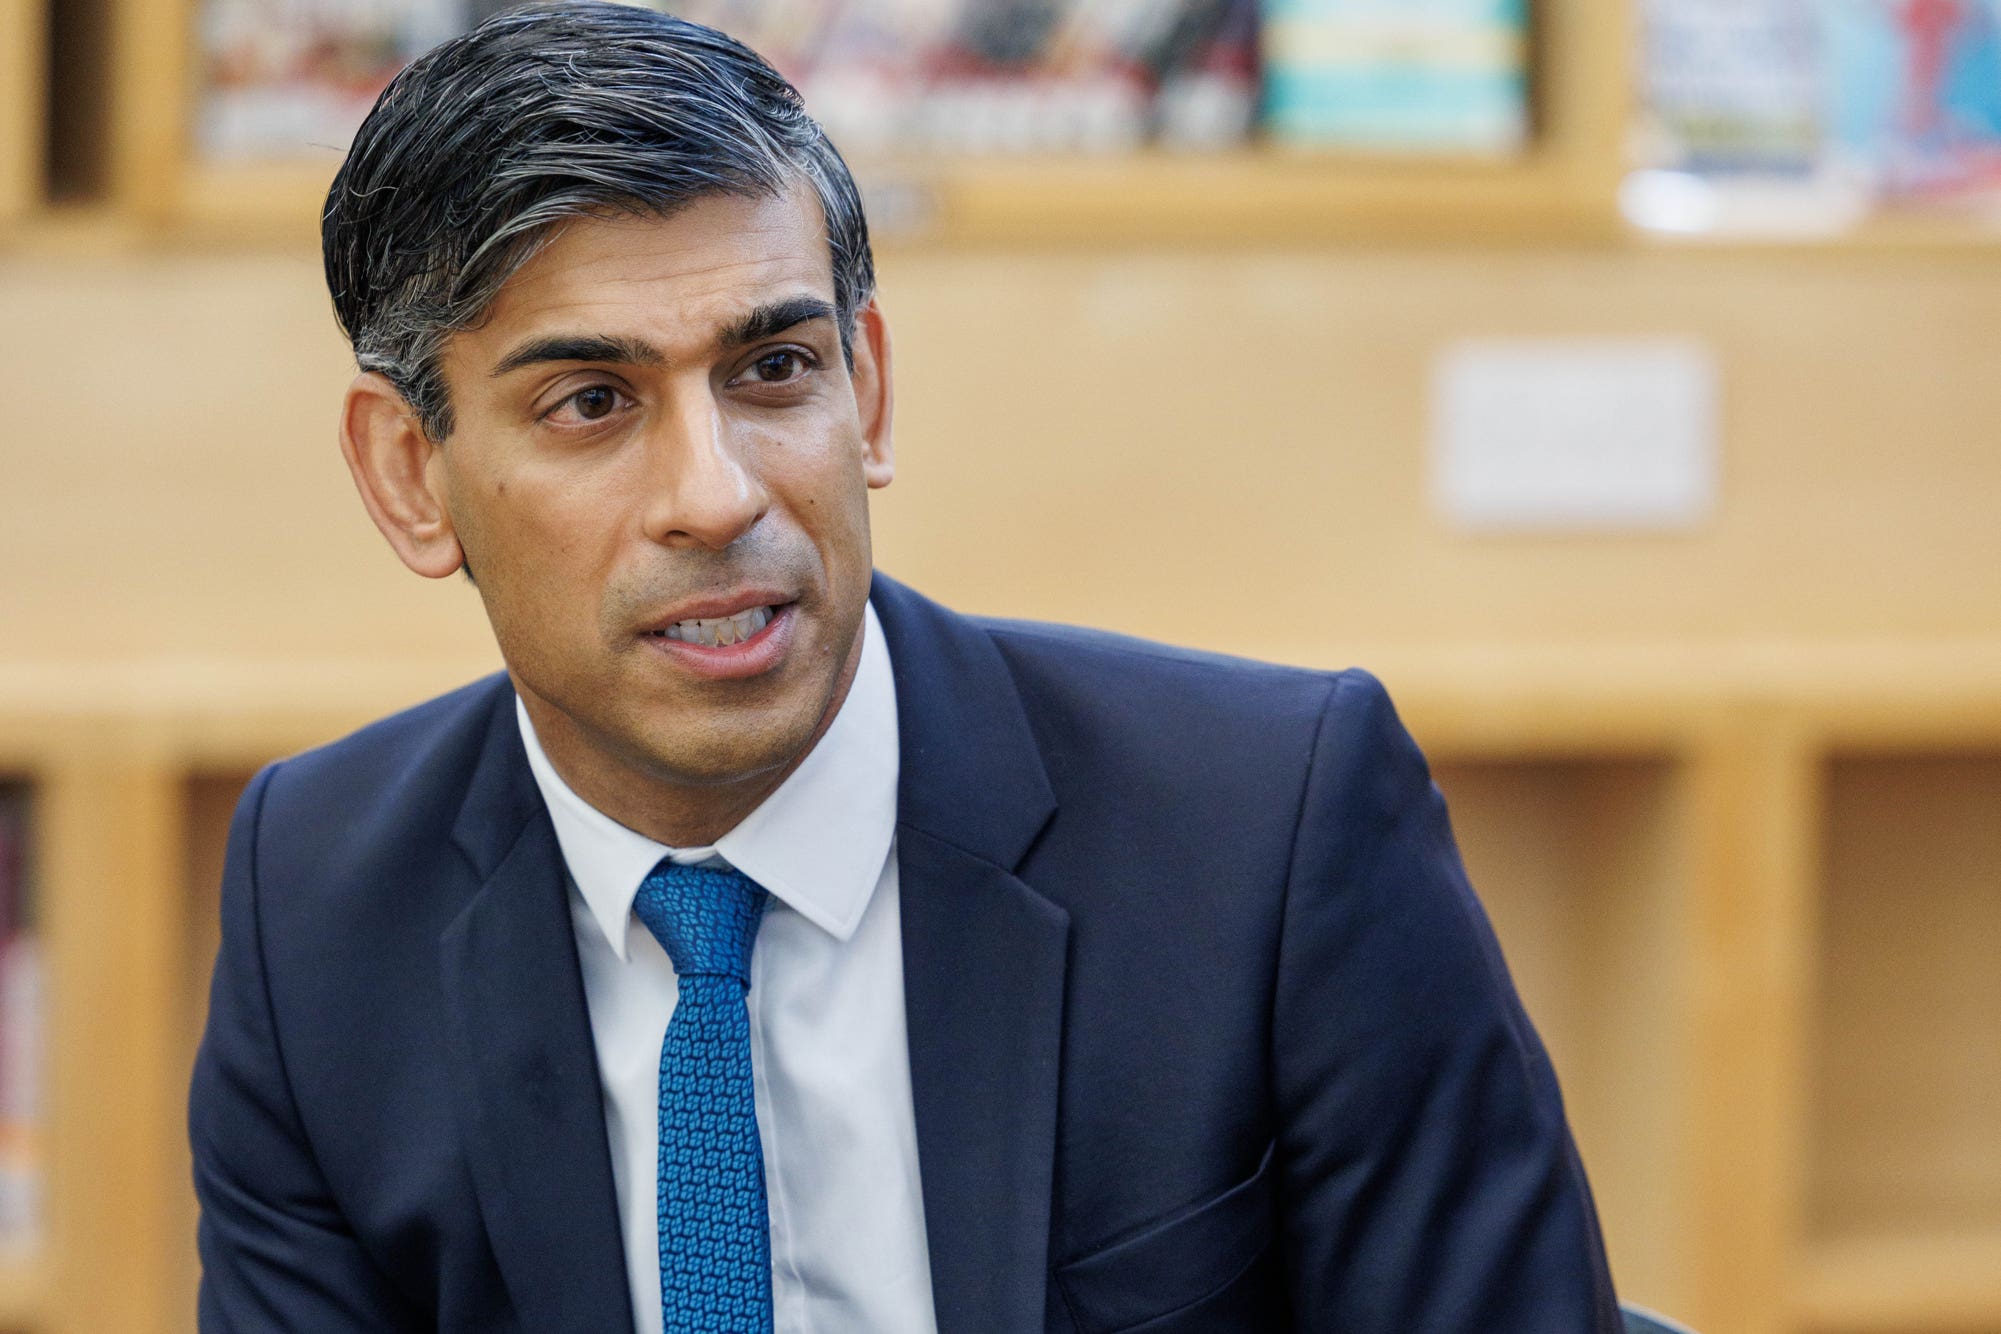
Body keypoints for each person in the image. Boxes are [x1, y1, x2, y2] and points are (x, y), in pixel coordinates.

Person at [188, 5, 1622, 1331]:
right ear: (408, 477)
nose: (718, 493)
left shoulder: (1270, 831)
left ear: (864, 389)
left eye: (772, 372)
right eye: (590, 402)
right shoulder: (314, 904)